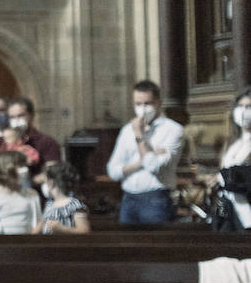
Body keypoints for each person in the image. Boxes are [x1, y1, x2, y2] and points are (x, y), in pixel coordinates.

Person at [106, 79, 183, 225]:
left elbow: (153, 167)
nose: (142, 108)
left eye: (147, 104)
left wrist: (139, 134)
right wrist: (144, 159)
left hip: (156, 199)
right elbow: (113, 171)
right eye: (138, 104)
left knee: (156, 245)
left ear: (158, 102)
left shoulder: (173, 130)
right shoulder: (126, 130)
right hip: (128, 200)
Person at [211, 87, 251, 229]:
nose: (244, 111)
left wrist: (223, 176)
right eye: (240, 106)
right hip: (228, 207)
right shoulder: (232, 142)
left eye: (248, 107)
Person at [0, 150, 40, 235]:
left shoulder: (31, 194)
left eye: (24, 165)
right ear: (5, 171)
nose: (24, 170)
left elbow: (38, 221)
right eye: (19, 166)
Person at [35, 160, 89, 234]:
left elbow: (84, 230)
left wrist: (62, 229)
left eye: (45, 181)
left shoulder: (75, 205)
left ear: (51, 182)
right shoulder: (49, 204)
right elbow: (40, 226)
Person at [6, 96, 62, 166]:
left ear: (32, 115)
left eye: (21, 116)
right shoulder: (1, 143)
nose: (16, 120)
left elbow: (52, 172)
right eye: (12, 117)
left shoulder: (47, 143)